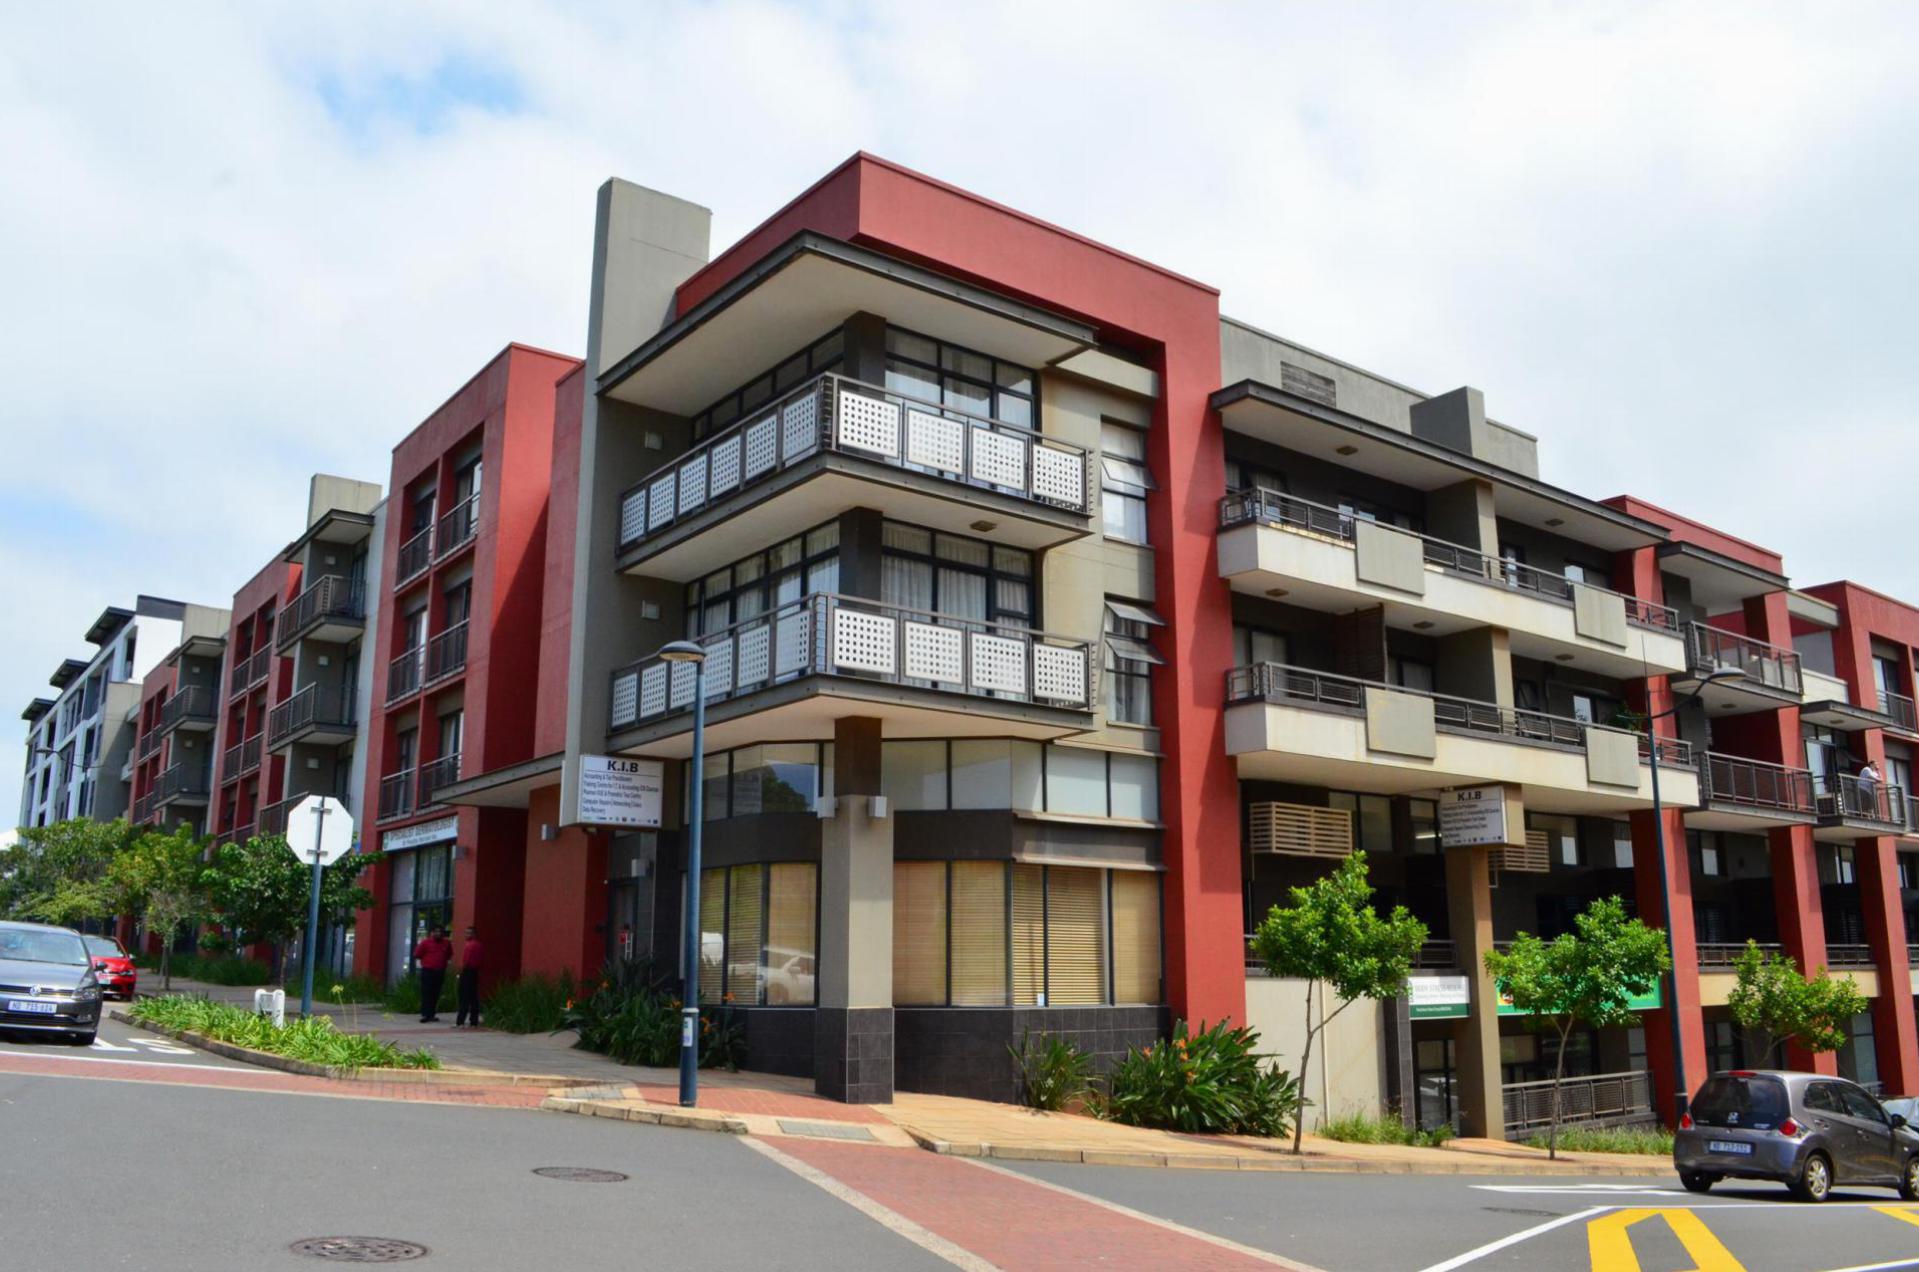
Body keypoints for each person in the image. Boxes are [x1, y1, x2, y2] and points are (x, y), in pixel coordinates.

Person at [413, 926, 452, 1023]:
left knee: (436, 993)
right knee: (426, 992)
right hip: (428, 970)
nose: (438, 933)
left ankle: (432, 1014)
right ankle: (425, 1014)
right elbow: (417, 954)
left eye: (440, 931)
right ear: (432, 932)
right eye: (436, 931)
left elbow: (449, 954)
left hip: (439, 971)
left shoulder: (446, 943)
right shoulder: (425, 943)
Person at [456, 926, 483, 1028]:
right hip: (475, 972)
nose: (467, 935)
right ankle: (473, 1021)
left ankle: (460, 1021)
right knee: (473, 997)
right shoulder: (479, 945)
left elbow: (466, 961)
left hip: (468, 971)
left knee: (463, 997)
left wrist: (461, 973)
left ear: (474, 934)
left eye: (469, 933)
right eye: (466, 933)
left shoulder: (470, 946)